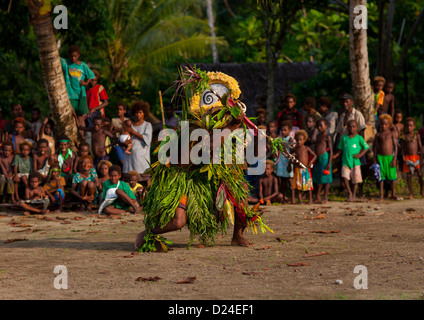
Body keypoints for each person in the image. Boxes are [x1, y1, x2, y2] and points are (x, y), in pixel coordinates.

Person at [60, 45, 95, 138]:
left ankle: (82, 136)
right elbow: (54, 56)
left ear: (78, 55)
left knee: (81, 116)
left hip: (81, 95)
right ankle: (73, 136)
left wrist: (86, 82)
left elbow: (91, 75)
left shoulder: (83, 65)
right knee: (71, 116)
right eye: (71, 56)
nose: (73, 58)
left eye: (75, 56)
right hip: (71, 95)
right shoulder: (66, 63)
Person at [333, 120, 369, 202]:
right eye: (349, 126)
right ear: (347, 127)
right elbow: (340, 149)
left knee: (355, 179)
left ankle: (354, 194)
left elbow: (366, 147)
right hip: (345, 161)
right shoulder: (344, 138)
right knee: (345, 177)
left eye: (353, 126)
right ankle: (349, 192)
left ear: (356, 128)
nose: (351, 128)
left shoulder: (359, 138)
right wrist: (335, 156)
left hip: (355, 162)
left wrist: (360, 155)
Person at [123, 102, 152, 186]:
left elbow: (147, 139)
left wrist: (132, 131)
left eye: (140, 112)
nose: (138, 114)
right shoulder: (130, 125)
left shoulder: (147, 125)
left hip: (142, 157)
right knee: (129, 179)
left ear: (144, 113)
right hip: (130, 156)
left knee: (144, 180)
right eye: (136, 113)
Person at [373, 114, 398, 201]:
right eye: (382, 124)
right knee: (381, 177)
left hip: (390, 157)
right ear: (379, 124)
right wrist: (374, 159)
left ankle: (393, 194)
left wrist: (394, 159)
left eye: (385, 124)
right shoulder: (378, 135)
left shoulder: (392, 134)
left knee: (392, 177)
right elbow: (375, 148)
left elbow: (395, 147)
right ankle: (381, 195)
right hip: (381, 157)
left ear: (389, 125)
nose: (383, 126)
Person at [290, 130, 317, 204]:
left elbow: (315, 155)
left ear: (304, 140)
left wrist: (311, 162)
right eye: (297, 140)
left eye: (301, 140)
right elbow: (290, 156)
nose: (299, 142)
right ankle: (300, 200)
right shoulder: (295, 149)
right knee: (298, 187)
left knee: (308, 186)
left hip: (305, 169)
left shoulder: (306, 148)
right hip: (298, 170)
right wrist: (292, 162)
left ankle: (310, 200)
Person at [400, 117, 424, 199]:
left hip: (416, 157)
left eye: (410, 126)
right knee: (408, 176)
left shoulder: (416, 135)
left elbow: (420, 147)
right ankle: (411, 193)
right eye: (407, 126)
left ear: (414, 126)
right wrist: (403, 157)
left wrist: (421, 158)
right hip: (407, 158)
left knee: (420, 174)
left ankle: (421, 190)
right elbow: (402, 148)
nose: (409, 127)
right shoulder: (404, 136)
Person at [312, 118, 333, 203]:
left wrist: (329, 163)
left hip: (325, 159)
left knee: (326, 179)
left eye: (321, 126)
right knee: (318, 178)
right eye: (318, 126)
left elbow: (331, 151)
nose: (319, 127)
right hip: (318, 159)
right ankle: (318, 196)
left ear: (326, 126)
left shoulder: (327, 137)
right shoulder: (318, 136)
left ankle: (325, 196)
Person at [274, 120, 295, 203]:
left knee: (290, 180)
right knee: (282, 181)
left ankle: (293, 198)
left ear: (289, 130)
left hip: (288, 162)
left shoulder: (290, 140)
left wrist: (290, 163)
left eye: (285, 130)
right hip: (281, 162)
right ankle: (282, 197)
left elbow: (292, 152)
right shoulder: (280, 139)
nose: (283, 132)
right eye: (282, 130)